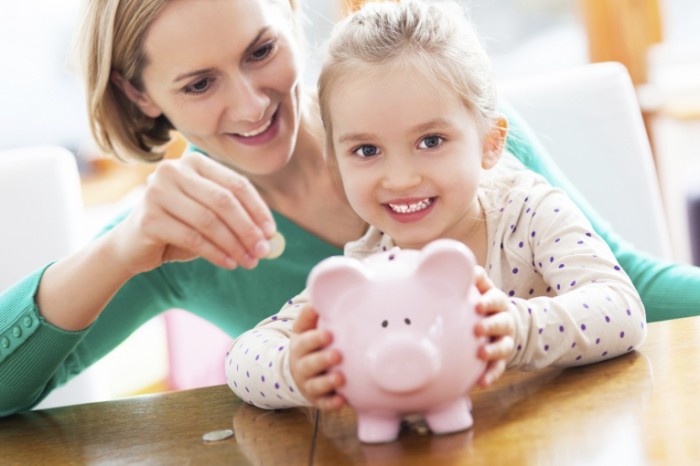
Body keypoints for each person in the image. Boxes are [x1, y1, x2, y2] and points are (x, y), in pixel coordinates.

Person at [0, 0, 696, 418]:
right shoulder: (180, 231)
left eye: (261, 49)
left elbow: (626, 289)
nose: (249, 104)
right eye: (199, 82)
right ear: (142, 94)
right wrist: (119, 252)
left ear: (292, 17)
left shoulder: (443, 122)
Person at [225, 0, 646, 411]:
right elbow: (243, 357)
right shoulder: (367, 267)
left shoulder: (528, 212)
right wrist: (295, 370)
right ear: (335, 166)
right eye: (368, 150)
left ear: (490, 143)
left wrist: (517, 330)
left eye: (431, 141)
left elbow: (622, 309)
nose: (401, 178)